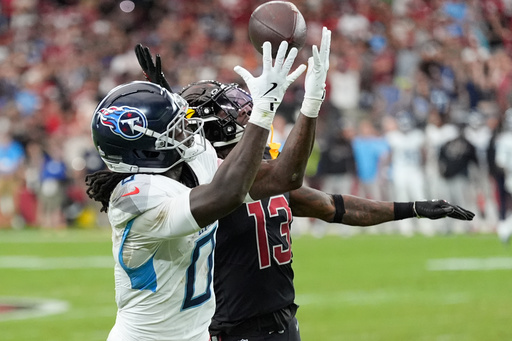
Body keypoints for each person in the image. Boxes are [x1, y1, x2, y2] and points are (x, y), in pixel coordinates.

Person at [136, 28, 475, 341]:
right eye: (229, 112)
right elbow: (284, 174)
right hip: (230, 329)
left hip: (284, 325)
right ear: (211, 127)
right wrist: (309, 104)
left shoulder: (254, 173)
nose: (241, 112)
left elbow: (332, 206)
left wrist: (412, 209)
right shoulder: (205, 182)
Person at [85, 40, 310, 341]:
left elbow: (284, 177)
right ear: (146, 148)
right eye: (174, 127)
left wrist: (312, 103)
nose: (188, 131)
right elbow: (226, 194)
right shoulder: (134, 199)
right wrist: (263, 113)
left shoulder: (188, 163)